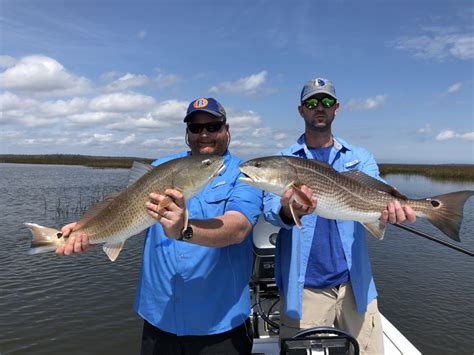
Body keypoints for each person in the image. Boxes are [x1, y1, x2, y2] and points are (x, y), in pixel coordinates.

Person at [56, 97, 263, 355]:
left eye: (213, 126)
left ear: (226, 128)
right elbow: (124, 212)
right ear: (187, 134)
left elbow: (238, 228)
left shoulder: (245, 174)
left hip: (220, 325)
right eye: (195, 128)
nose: (204, 134)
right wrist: (88, 231)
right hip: (160, 320)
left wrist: (184, 230)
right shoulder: (160, 168)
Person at [263, 78, 416, 355]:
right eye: (311, 103)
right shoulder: (286, 159)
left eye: (326, 102)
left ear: (337, 108)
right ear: (301, 110)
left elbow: (378, 193)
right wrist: (289, 209)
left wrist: (394, 211)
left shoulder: (360, 157)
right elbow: (271, 210)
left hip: (355, 286)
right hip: (306, 290)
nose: (318, 108)